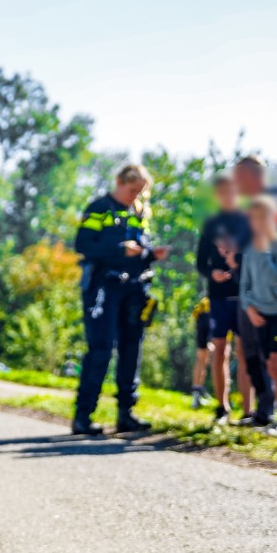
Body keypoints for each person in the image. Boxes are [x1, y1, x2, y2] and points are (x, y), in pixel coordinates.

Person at [72, 164, 169, 435]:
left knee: (131, 349)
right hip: (103, 287)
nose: (135, 196)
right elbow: (83, 245)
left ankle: (126, 414)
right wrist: (119, 250)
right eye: (132, 190)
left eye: (140, 192)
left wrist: (151, 254)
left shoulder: (139, 212)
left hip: (135, 289)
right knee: (101, 349)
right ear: (120, 182)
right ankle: (83, 417)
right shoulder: (99, 208)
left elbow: (141, 248)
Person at [239, 195, 277, 437]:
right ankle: (276, 418)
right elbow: (244, 285)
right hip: (258, 314)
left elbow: (276, 279)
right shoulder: (249, 248)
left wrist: (264, 251)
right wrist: (249, 308)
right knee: (269, 366)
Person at [194, 171, 252, 422]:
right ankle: (222, 406)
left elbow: (254, 260)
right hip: (217, 297)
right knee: (220, 350)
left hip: (242, 296)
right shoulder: (210, 226)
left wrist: (235, 261)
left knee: (245, 351)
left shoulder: (247, 224)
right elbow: (200, 263)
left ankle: (248, 410)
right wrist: (212, 273)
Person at [189, 296, 211, 409]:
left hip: (203, 311)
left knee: (202, 359)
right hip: (213, 312)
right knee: (218, 357)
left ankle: (197, 393)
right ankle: (224, 401)